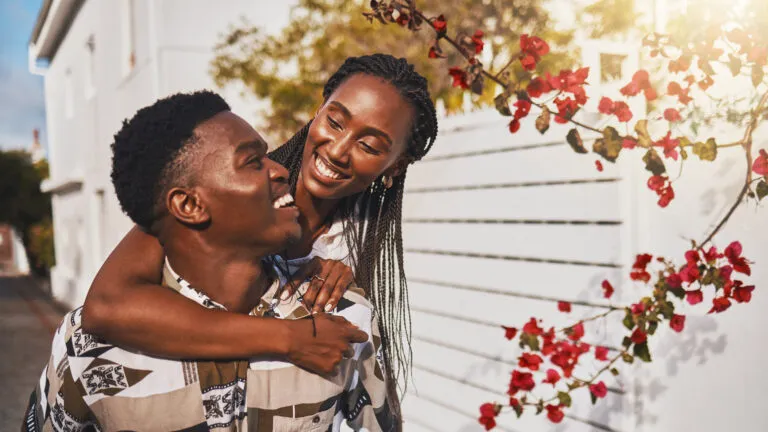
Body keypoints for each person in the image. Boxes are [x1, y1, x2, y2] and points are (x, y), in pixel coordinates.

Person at [81, 53, 439, 410]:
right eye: (335, 121)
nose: (339, 150)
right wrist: (289, 338)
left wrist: (346, 276)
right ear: (319, 110)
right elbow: (105, 306)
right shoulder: (231, 191)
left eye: (369, 146)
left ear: (396, 166)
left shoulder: (354, 245)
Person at [24, 91, 395, 431]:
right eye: (253, 161)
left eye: (370, 144)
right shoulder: (90, 347)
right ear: (189, 205)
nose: (281, 169)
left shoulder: (344, 318)